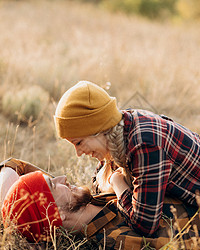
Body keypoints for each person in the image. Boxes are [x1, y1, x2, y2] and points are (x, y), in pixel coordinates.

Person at [54, 80, 200, 238]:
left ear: (97, 129)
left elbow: (145, 225)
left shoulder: (144, 145)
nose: (78, 153)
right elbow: (98, 184)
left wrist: (117, 183)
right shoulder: (118, 130)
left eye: (79, 142)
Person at [0, 157, 200, 250]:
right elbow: (184, 248)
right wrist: (117, 182)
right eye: (53, 184)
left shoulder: (82, 202)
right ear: (56, 215)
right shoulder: (115, 240)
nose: (62, 177)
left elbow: (14, 165)